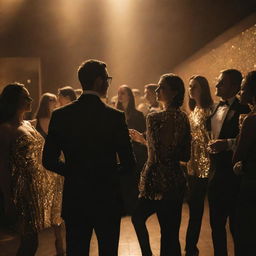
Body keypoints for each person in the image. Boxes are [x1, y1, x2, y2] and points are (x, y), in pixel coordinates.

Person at [42, 59, 136, 256]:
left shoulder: (61, 115)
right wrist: (107, 173)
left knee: (77, 251)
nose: (109, 83)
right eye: (107, 79)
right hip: (107, 198)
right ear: (98, 81)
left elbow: (48, 160)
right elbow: (129, 164)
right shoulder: (115, 117)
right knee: (108, 251)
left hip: (76, 198)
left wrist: (75, 172)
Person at [131, 73, 191, 256]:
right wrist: (146, 141)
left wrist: (145, 141)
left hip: (155, 181)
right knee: (170, 235)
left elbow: (155, 155)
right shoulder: (183, 118)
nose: (157, 90)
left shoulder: (153, 118)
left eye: (161, 87)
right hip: (175, 180)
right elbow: (185, 155)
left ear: (174, 92)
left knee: (137, 218)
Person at [0, 83, 53, 256]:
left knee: (32, 241)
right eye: (26, 97)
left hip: (33, 191)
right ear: (15, 101)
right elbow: (3, 167)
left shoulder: (29, 124)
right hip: (20, 193)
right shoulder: (5, 129)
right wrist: (8, 200)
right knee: (29, 241)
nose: (31, 100)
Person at [207, 69, 250, 256]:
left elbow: (247, 140)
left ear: (235, 86)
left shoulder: (244, 109)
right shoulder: (216, 107)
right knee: (216, 226)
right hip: (215, 173)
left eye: (221, 83)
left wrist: (228, 144)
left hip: (234, 176)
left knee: (237, 227)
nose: (216, 85)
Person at [32, 93, 65, 255]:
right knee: (42, 205)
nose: (56, 103)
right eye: (52, 100)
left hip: (55, 168)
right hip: (40, 168)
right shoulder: (34, 122)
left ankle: (59, 241)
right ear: (46, 102)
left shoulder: (57, 119)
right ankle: (37, 241)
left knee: (56, 205)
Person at [185, 75, 214, 256]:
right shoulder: (193, 111)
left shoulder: (211, 110)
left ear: (202, 88)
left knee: (215, 213)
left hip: (210, 166)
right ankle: (190, 248)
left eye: (194, 86)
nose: (191, 89)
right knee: (194, 210)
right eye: (189, 86)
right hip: (193, 167)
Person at [233, 70, 256, 256]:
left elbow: (237, 156)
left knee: (244, 235)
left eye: (242, 89)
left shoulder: (250, 120)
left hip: (250, 185)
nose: (239, 93)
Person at [116, 85, 147, 214]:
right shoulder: (115, 114)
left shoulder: (138, 115)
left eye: (122, 93)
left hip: (136, 151)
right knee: (122, 180)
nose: (120, 96)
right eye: (119, 93)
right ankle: (124, 207)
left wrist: (137, 136)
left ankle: (135, 206)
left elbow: (145, 132)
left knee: (134, 180)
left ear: (129, 95)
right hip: (120, 152)